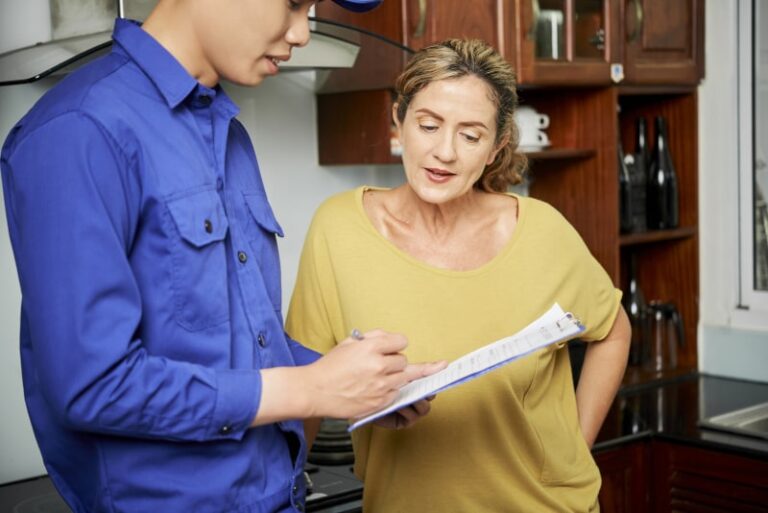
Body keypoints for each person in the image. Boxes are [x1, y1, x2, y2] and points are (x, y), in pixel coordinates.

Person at [0, 1, 446, 512]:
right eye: (295, 4)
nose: (302, 32)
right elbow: (92, 386)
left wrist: (351, 386)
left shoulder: (224, 126)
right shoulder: (78, 130)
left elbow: (226, 343)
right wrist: (310, 389)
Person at [286, 38, 632, 512]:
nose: (444, 152)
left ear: (496, 148)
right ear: (398, 123)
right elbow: (307, 374)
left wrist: (575, 446)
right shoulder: (338, 228)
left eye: (471, 136)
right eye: (429, 125)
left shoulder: (541, 233)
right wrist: (288, 488)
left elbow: (613, 330)